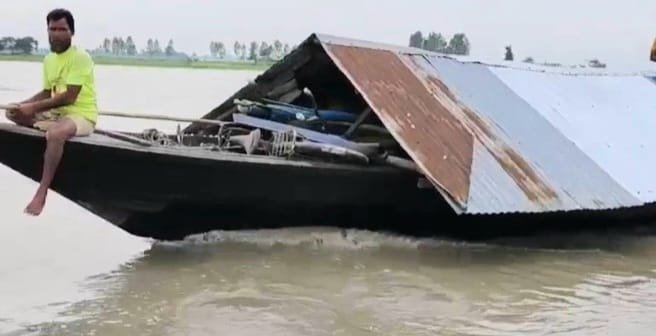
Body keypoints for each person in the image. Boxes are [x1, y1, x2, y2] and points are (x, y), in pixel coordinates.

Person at [5, 8, 98, 216]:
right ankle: (45, 126)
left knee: (55, 134)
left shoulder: (80, 57)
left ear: (71, 33)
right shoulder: (49, 59)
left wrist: (34, 108)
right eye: (52, 29)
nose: (56, 34)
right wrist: (21, 105)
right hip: (57, 114)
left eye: (61, 29)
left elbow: (69, 97)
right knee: (11, 114)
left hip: (81, 115)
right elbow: (47, 92)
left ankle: (42, 191)